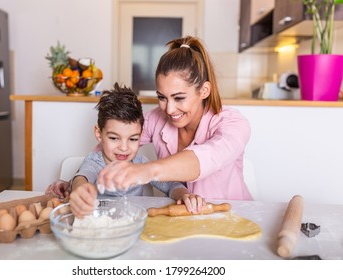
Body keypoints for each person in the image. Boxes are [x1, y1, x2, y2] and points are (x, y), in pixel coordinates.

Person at [96, 36, 252, 200]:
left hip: (233, 215)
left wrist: (146, 170)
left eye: (179, 98)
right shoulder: (155, 119)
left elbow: (209, 157)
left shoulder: (233, 124)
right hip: (184, 219)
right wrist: (79, 179)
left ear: (204, 91)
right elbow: (113, 142)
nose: (169, 110)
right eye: (162, 97)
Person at [47, 83, 205, 217]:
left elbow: (171, 186)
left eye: (133, 139)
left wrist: (184, 195)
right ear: (98, 134)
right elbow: (82, 178)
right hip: (101, 226)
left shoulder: (140, 164)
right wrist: (80, 192)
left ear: (141, 135)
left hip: (133, 225)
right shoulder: (95, 162)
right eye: (114, 138)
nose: (123, 148)